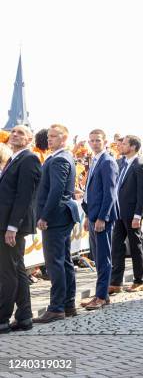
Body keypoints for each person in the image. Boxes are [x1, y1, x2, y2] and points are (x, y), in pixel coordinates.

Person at [33, 124, 80, 323]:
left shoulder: (60, 158)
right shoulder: (60, 157)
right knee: (64, 261)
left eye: (54, 136)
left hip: (56, 217)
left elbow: (56, 191)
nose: (49, 139)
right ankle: (68, 304)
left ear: (64, 138)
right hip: (62, 216)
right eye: (49, 136)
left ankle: (56, 307)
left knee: (55, 263)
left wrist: (45, 216)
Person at [0, 125, 42, 333]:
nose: (15, 135)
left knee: (7, 272)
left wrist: (12, 226)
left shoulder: (29, 159)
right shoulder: (13, 158)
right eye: (13, 132)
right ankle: (24, 316)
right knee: (16, 269)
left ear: (29, 139)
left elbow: (24, 196)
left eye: (20, 133)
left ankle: (2, 317)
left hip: (12, 225)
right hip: (7, 223)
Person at [81, 129, 119, 310]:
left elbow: (109, 194)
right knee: (97, 257)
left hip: (103, 218)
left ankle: (101, 296)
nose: (94, 143)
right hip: (94, 215)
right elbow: (91, 191)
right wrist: (88, 215)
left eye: (97, 140)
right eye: (92, 141)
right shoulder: (94, 160)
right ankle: (100, 294)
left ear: (105, 142)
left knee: (103, 258)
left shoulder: (108, 162)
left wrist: (102, 218)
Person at [109, 135, 143, 294]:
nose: (120, 146)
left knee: (135, 246)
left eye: (124, 144)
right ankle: (116, 281)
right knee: (117, 246)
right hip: (118, 212)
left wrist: (138, 215)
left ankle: (139, 280)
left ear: (133, 147)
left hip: (132, 213)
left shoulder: (141, 165)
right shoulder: (119, 163)